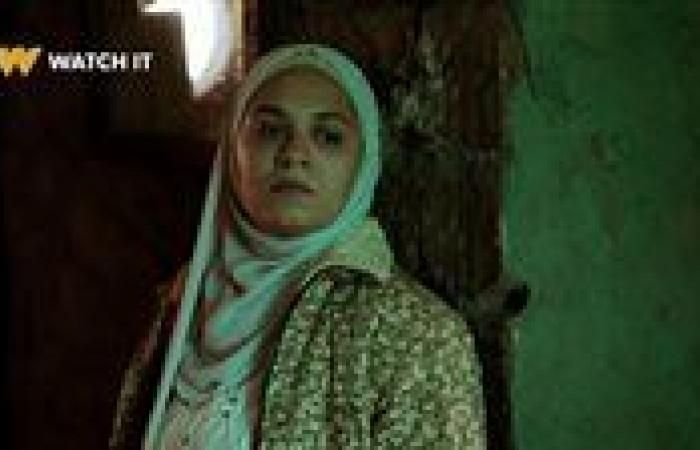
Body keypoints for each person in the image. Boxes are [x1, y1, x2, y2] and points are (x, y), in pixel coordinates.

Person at [108, 43, 486, 449]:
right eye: (270, 130)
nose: (293, 155)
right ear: (232, 152)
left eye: (328, 136)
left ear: (363, 163)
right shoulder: (181, 308)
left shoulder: (415, 334)